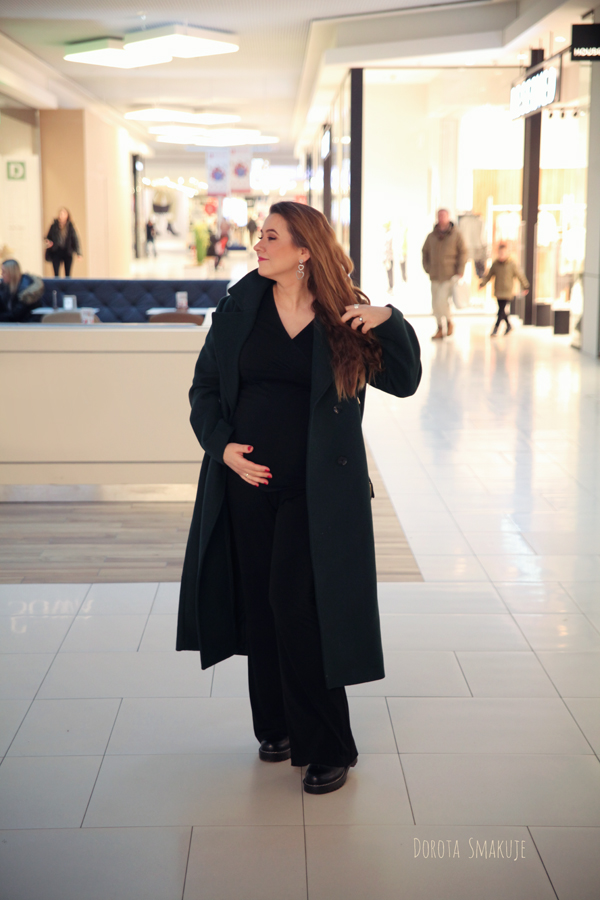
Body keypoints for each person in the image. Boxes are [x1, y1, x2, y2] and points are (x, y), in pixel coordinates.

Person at [176, 201, 422, 795]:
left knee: (296, 606)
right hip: (247, 485)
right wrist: (222, 447)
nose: (257, 246)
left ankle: (329, 745)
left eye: (270, 237)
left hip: (318, 491)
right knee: (261, 606)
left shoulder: (345, 315)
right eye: (259, 236)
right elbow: (204, 387)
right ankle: (277, 727)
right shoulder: (240, 307)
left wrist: (389, 318)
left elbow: (405, 380)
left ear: (304, 250)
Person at [422, 208, 467, 340]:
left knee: (442, 301)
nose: (441, 218)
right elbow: (425, 252)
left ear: (448, 217)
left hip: (449, 274)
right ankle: (440, 327)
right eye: (439, 216)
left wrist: (460, 270)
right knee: (435, 304)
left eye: (444, 216)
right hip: (435, 275)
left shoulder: (456, 235)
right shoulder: (431, 236)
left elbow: (463, 252)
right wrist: (427, 268)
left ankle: (448, 321)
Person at [480, 242, 529, 336]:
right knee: (502, 310)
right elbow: (489, 275)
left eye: (503, 253)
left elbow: (520, 275)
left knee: (501, 310)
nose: (501, 255)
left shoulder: (512, 264)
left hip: (508, 291)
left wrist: (525, 286)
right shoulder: (495, 264)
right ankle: (509, 325)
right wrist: (482, 284)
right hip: (498, 291)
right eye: (500, 253)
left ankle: (496, 328)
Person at [44, 208, 82, 276]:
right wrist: (48, 242)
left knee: (68, 274)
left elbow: (75, 239)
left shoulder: (70, 227)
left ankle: (67, 283)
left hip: (67, 252)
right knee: (56, 273)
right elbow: (48, 237)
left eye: (63, 214)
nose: (61, 215)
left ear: (67, 216)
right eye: (60, 214)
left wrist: (79, 253)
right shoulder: (54, 226)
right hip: (56, 251)